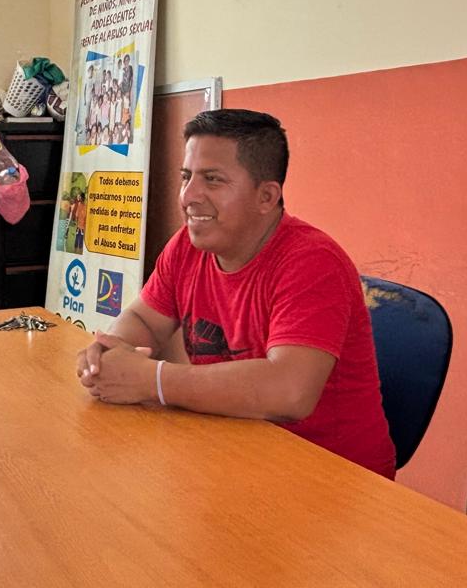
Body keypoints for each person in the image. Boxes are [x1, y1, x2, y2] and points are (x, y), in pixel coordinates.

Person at [75, 108, 396, 477]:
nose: (188, 196)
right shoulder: (187, 246)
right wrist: (111, 353)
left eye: (212, 180)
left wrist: (152, 380)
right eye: (186, 177)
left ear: (266, 197)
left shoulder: (313, 262)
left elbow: (290, 392)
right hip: (237, 452)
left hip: (332, 476)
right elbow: (144, 319)